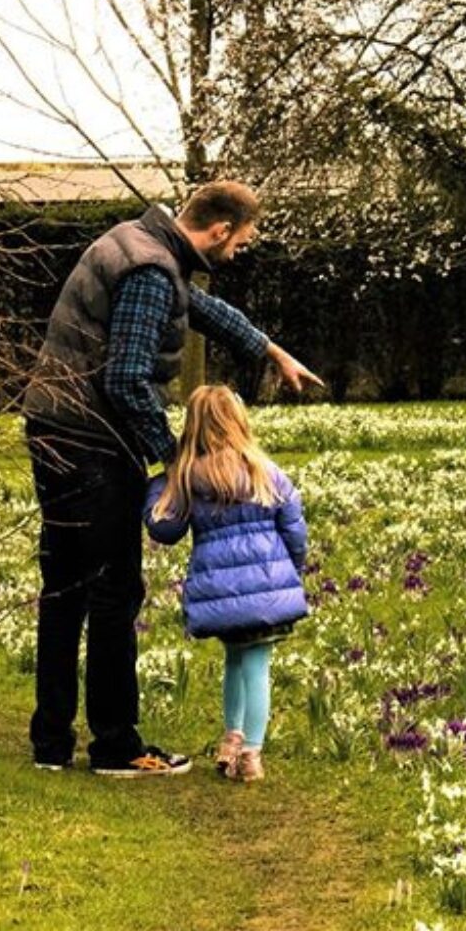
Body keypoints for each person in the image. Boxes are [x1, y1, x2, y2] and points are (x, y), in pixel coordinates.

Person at [22, 180, 322, 777]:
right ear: (219, 230)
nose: (238, 251)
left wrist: (271, 351)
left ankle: (50, 743)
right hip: (91, 440)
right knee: (113, 590)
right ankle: (115, 746)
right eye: (241, 242)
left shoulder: (139, 244)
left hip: (54, 425)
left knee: (64, 587)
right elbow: (127, 380)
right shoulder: (151, 270)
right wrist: (179, 461)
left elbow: (200, 310)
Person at [144, 385, 308, 782]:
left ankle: (230, 740)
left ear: (193, 428)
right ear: (238, 422)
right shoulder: (264, 471)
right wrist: (293, 571)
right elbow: (295, 529)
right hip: (267, 589)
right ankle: (251, 752)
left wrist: (159, 486)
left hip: (221, 594)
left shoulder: (188, 477)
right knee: (257, 665)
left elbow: (164, 530)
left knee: (235, 660)